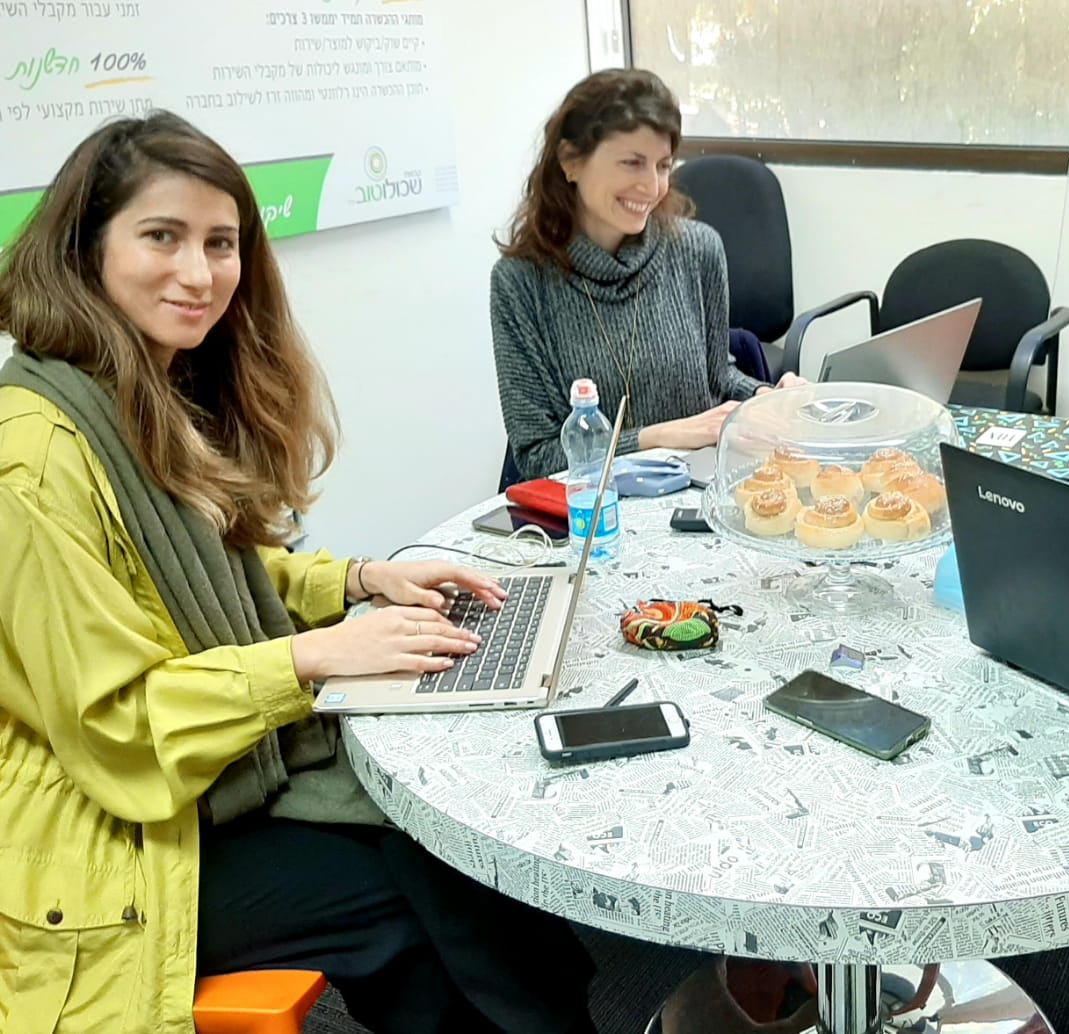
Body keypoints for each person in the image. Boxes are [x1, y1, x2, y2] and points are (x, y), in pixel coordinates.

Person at [0, 112, 596, 1034]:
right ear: (86, 251)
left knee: (453, 868)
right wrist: (311, 658)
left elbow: (206, 578)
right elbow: (113, 725)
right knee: (415, 900)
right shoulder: (34, 456)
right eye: (161, 236)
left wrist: (358, 581)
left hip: (201, 779)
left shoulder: (146, 388)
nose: (198, 274)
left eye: (220, 243)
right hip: (108, 834)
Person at [491, 67, 803, 480]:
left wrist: (768, 398)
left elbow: (718, 377)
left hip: (696, 491)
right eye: (632, 163)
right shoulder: (519, 282)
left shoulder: (698, 250)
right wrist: (659, 437)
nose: (652, 186)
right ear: (570, 161)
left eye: (663, 165)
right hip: (594, 508)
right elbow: (537, 456)